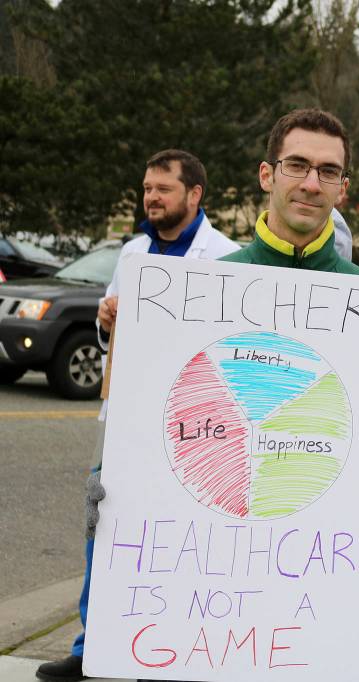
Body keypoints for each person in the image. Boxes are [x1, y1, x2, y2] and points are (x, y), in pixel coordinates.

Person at [36, 150, 239, 682]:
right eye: (147, 188)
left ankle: (170, 653)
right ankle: (90, 651)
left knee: (180, 542)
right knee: (104, 531)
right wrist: (106, 319)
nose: (151, 197)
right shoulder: (132, 252)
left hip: (191, 426)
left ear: (194, 195)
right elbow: (111, 331)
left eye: (163, 188)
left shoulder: (227, 258)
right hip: (124, 420)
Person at [219, 108, 359, 515]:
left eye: (328, 171)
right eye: (297, 165)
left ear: (342, 189)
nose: (312, 184)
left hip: (328, 546)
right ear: (267, 175)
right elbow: (146, 408)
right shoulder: (206, 284)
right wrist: (115, 477)